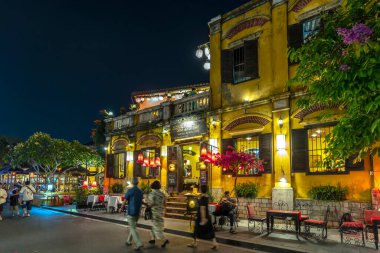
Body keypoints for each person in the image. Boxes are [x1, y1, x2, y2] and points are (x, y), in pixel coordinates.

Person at [188, 185, 218, 250]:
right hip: (207, 215)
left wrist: (203, 218)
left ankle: (194, 243)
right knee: (210, 229)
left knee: (196, 229)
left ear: (201, 190)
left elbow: (202, 207)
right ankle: (214, 243)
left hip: (201, 216)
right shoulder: (207, 197)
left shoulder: (202, 197)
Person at [120, 177, 143, 251]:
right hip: (137, 212)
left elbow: (125, 201)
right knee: (133, 226)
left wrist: (121, 208)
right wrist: (146, 204)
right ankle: (128, 241)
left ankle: (138, 243)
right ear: (138, 183)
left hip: (131, 211)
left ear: (132, 183)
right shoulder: (140, 191)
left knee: (132, 228)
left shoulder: (129, 190)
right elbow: (141, 201)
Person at [146, 180, 169, 248]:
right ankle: (152, 239)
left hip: (154, 212)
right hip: (161, 212)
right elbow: (165, 203)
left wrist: (147, 204)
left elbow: (151, 203)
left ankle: (164, 240)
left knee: (156, 227)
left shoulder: (152, 193)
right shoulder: (162, 194)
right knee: (155, 225)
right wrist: (165, 210)